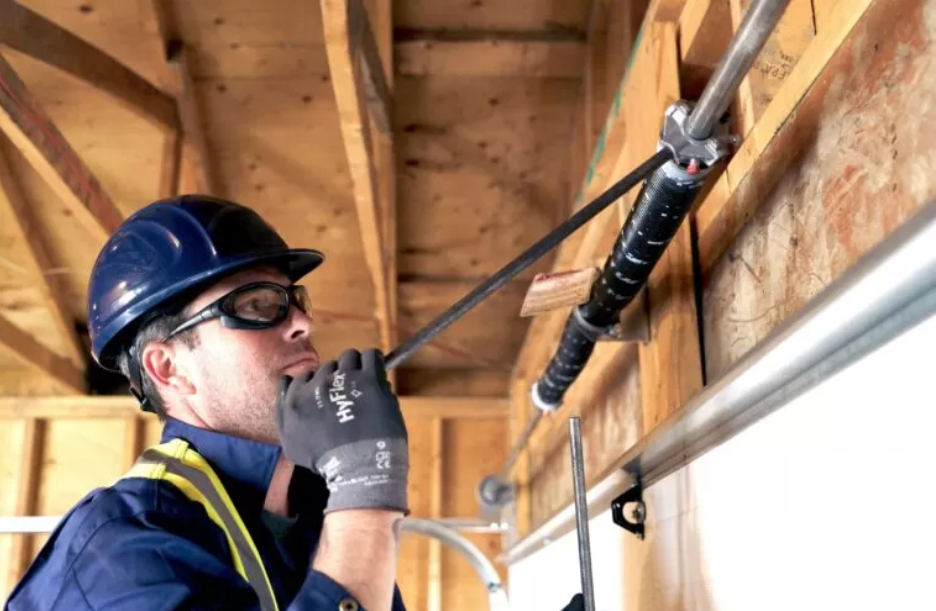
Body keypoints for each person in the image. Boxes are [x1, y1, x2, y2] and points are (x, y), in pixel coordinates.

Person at [5, 195, 410, 611]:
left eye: (293, 300)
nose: (303, 323)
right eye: (255, 304)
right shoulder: (123, 550)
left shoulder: (318, 518)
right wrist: (366, 490)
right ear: (168, 367)